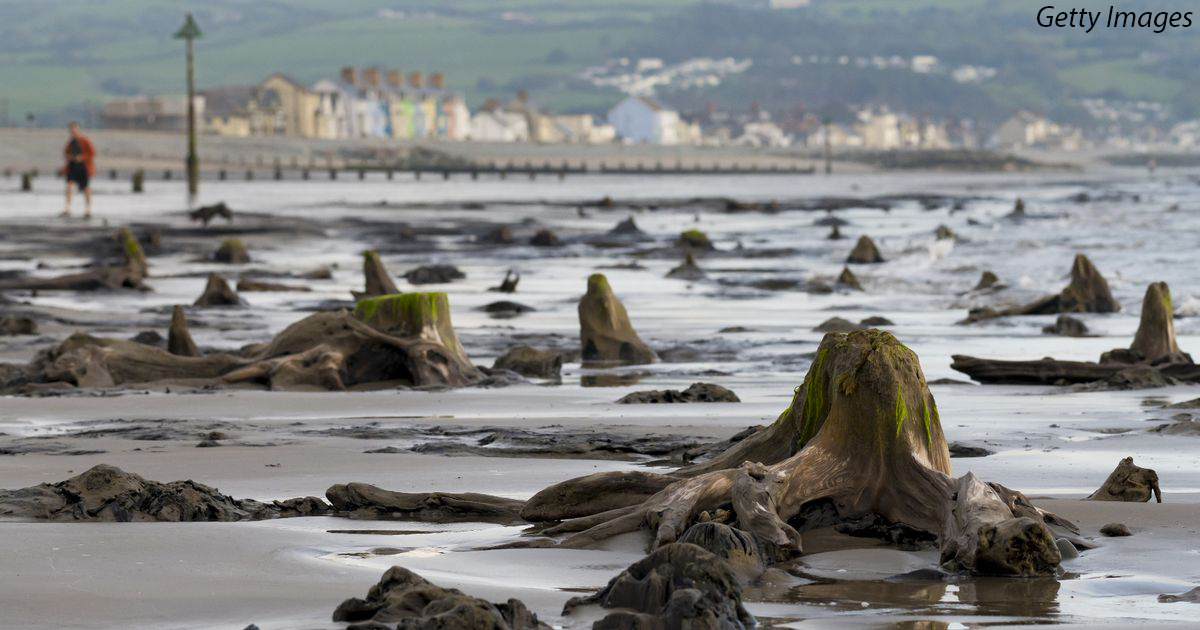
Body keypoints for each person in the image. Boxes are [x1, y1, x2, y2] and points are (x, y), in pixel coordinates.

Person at [61, 121, 95, 219]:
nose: (73, 131)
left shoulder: (85, 140)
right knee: (69, 186)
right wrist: (70, 157)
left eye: (75, 129)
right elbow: (65, 153)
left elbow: (92, 153)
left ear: (78, 129)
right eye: (71, 129)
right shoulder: (70, 142)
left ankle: (88, 209)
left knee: (85, 188)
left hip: (83, 168)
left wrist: (82, 157)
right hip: (72, 167)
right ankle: (67, 208)